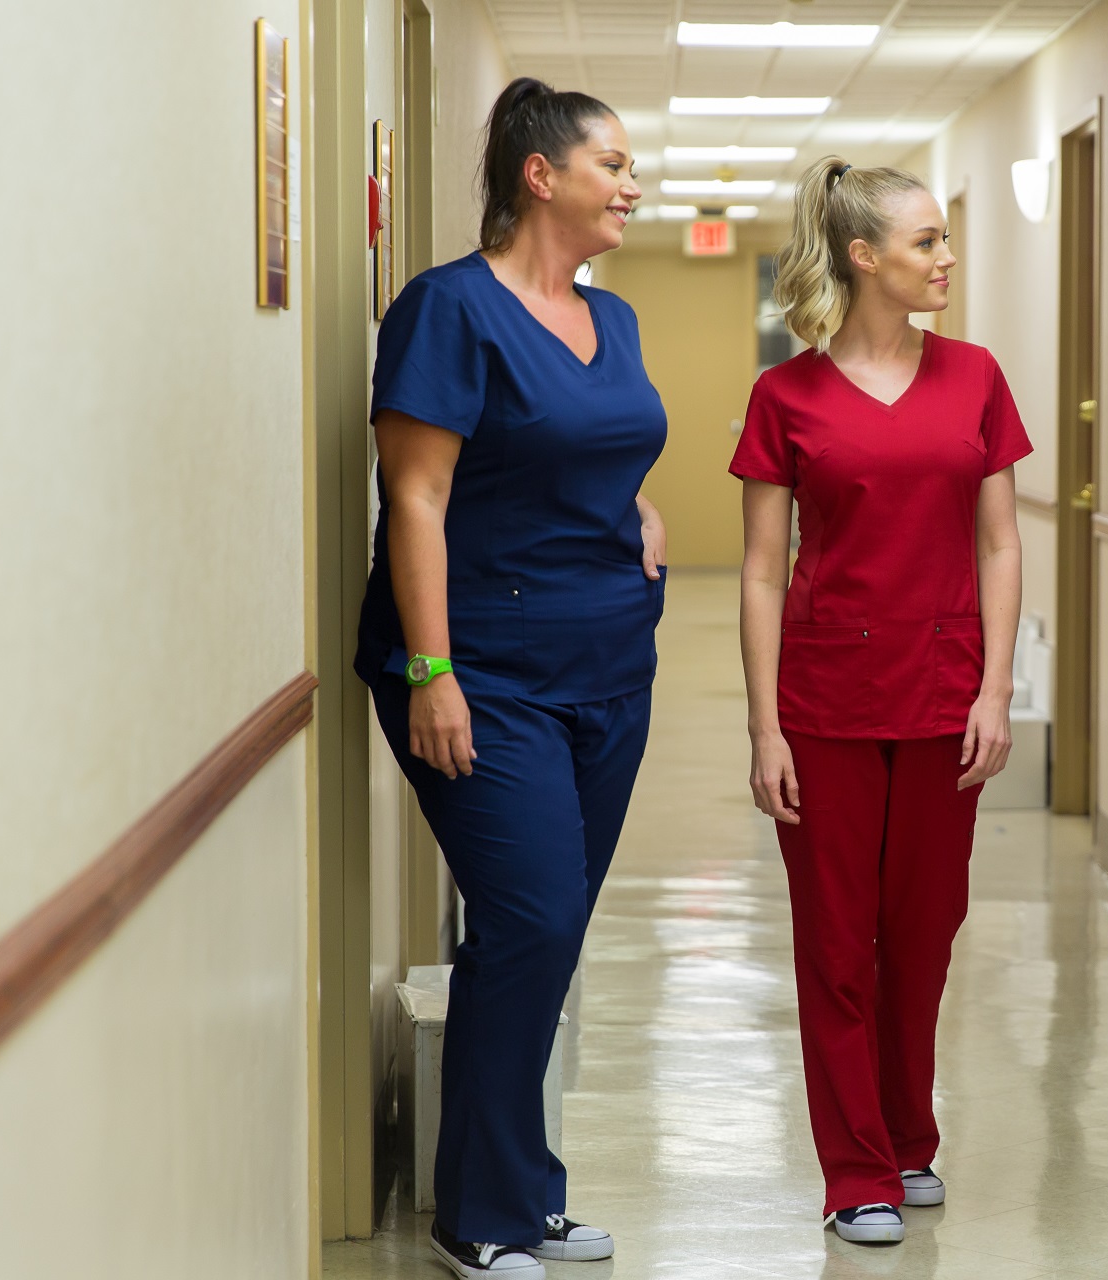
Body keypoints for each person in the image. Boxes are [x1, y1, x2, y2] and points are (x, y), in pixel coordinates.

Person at [354, 77, 665, 1279]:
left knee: (548, 934)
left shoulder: (615, 317)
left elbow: (597, 442)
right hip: (483, 667)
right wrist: (431, 669)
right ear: (541, 175)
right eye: (614, 163)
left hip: (609, 662)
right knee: (529, 916)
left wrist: (632, 506)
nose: (632, 183)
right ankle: (473, 1211)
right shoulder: (448, 309)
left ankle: (525, 1191)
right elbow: (417, 496)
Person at [730, 157, 1030, 1245]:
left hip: (947, 690)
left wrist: (998, 685)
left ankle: (909, 1134)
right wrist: (764, 724)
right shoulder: (787, 397)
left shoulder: (976, 378)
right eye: (925, 244)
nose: (945, 260)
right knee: (836, 939)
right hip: (825, 698)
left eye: (943, 241)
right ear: (864, 257)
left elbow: (1000, 539)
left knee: (926, 930)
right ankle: (855, 1166)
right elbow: (763, 569)